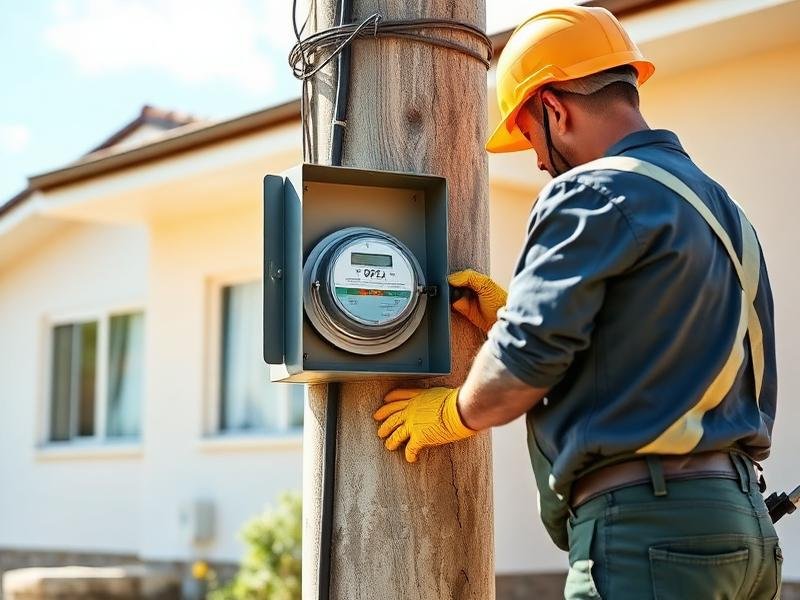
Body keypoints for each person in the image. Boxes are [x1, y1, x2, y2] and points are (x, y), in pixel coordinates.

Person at [372, 5, 781, 599]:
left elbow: (523, 366)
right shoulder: (720, 210)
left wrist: (454, 410)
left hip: (648, 532)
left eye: (530, 137)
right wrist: (515, 315)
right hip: (744, 532)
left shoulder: (593, 188)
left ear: (553, 109)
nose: (539, 162)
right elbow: (660, 352)